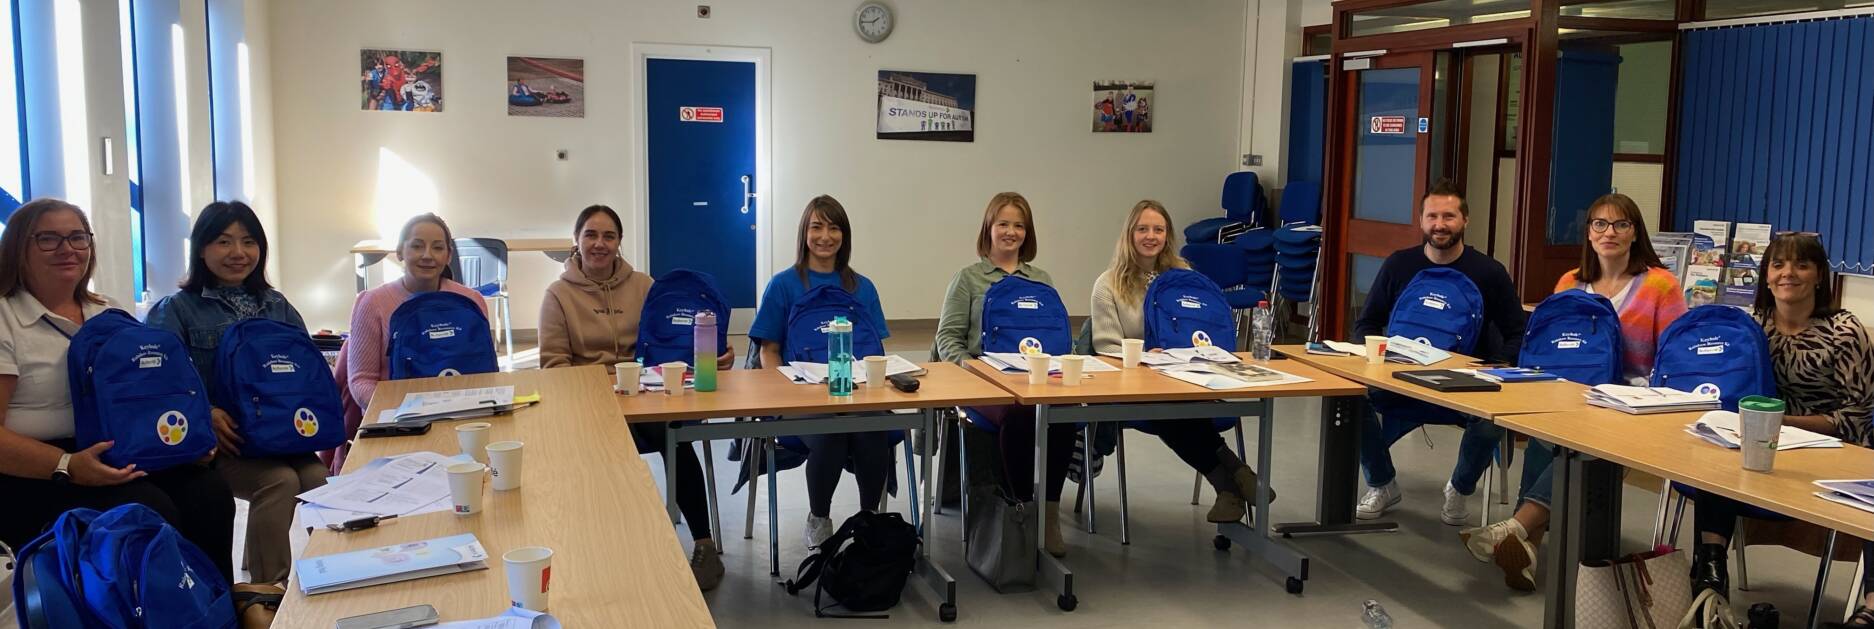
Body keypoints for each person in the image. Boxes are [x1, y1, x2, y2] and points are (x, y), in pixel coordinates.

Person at [1458, 193, 1686, 591]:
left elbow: (1674, 355)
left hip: (1628, 403)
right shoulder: (1570, 282)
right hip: (1565, 393)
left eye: (1620, 225)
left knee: (1577, 439)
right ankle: (1523, 545)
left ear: (1635, 233)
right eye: (1600, 224)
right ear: (1589, 233)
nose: (1609, 233)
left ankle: (1518, 528)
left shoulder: (1659, 285)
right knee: (1546, 432)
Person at [0, 199, 235, 583]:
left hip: (116, 448)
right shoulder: (5, 318)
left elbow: (150, 394)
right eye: (48, 239)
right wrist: (68, 466)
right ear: (18, 248)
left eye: (78, 237)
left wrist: (180, 445)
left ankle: (214, 611)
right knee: (146, 509)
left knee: (208, 493)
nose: (67, 249)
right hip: (35, 471)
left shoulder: (107, 310)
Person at [537, 204, 733, 590]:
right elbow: (553, 367)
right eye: (591, 235)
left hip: (647, 400)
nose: (599, 243)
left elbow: (672, 340)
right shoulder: (558, 295)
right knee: (610, 450)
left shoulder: (645, 285)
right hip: (589, 407)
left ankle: (705, 546)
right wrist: (602, 387)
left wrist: (711, 355)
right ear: (576, 241)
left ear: (620, 242)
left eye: (609, 236)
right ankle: (613, 549)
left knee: (673, 434)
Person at [145, 201, 324, 595]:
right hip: (220, 443)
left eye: (248, 241)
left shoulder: (276, 305)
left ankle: (329, 573)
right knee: (277, 482)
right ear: (202, 249)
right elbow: (160, 383)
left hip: (277, 434)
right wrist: (204, 413)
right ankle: (266, 593)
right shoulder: (175, 310)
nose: (238, 252)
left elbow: (305, 371)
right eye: (223, 241)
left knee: (315, 477)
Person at [1685, 233, 1874, 601]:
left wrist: (1781, 423)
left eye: (1802, 265)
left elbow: (1859, 417)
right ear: (1766, 276)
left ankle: (1870, 606)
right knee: (1714, 459)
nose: (1789, 273)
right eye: (1779, 264)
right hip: (1765, 442)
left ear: (1819, 276)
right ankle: (1710, 570)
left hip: (1831, 450)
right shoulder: (1754, 327)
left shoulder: (1845, 331)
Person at [1353, 180, 1527, 525]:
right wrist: (1378, 358)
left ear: (1465, 221)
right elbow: (1366, 323)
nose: (1440, 224)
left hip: (1465, 387)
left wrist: (1494, 368)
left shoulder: (1489, 272)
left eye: (1449, 216)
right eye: (1432, 216)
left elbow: (1518, 333)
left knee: (1491, 420)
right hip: (1399, 380)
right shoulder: (1399, 265)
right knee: (1346, 401)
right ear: (1421, 221)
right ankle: (1383, 483)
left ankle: (1460, 489)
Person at [1089, 200, 1270, 523]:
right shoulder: (1108, 284)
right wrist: (1146, 356)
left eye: (1158, 229)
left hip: (1184, 377)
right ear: (1129, 234)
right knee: (1168, 412)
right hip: (1131, 384)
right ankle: (1234, 475)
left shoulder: (1183, 276)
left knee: (1175, 407)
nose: (1150, 236)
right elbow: (1105, 346)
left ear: (1167, 235)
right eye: (1142, 229)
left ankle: (1229, 488)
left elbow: (1198, 328)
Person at [933, 192, 1077, 557]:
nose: (1010, 232)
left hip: (1037, 379)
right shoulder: (967, 279)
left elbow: (1058, 336)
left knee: (1062, 415)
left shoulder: (1041, 280)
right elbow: (947, 337)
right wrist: (973, 369)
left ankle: (1049, 512)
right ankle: (1021, 510)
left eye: (1019, 225)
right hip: (984, 383)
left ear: (1027, 233)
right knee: (1019, 415)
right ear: (988, 229)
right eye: (1003, 224)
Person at [749, 195, 895, 550]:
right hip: (800, 398)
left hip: (856, 395)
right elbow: (768, 352)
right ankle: (819, 518)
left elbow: (876, 348)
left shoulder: (863, 287)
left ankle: (868, 519)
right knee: (829, 430)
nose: (825, 236)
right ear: (804, 233)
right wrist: (789, 390)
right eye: (817, 227)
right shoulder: (783, 285)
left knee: (872, 429)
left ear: (844, 235)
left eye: (834, 228)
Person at [346, 213, 489, 410]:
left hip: (463, 411)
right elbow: (361, 381)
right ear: (399, 252)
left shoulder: (471, 301)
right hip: (396, 417)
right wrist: (402, 409)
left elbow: (485, 370)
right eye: (417, 246)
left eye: (438, 248)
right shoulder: (372, 303)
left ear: (448, 256)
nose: (427, 255)